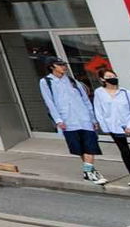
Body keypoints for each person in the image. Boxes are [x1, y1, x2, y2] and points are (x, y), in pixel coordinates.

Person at [39, 56, 107, 184]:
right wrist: (58, 120)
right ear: (52, 66)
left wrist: (92, 118)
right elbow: (49, 102)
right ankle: (89, 171)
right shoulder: (46, 82)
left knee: (90, 145)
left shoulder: (72, 81)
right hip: (67, 120)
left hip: (84, 117)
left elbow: (85, 100)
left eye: (64, 64)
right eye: (60, 64)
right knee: (80, 147)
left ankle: (89, 171)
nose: (64, 67)